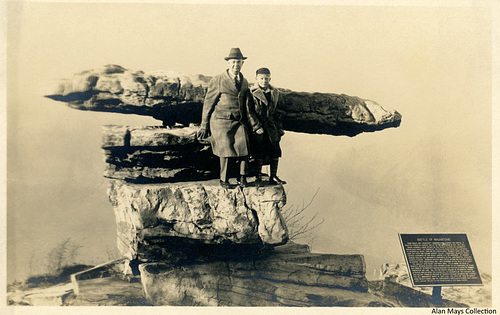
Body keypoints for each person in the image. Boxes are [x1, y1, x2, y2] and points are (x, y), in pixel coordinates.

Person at [197, 48, 256, 188]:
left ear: (243, 64)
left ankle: (242, 178)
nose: (236, 65)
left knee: (244, 146)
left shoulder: (244, 81)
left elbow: (247, 104)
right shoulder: (218, 80)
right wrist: (204, 125)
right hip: (221, 121)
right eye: (234, 62)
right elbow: (208, 103)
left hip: (238, 120)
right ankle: (224, 179)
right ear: (229, 63)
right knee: (226, 149)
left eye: (239, 62)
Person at [247, 67, 286, 185]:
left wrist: (279, 127)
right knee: (259, 152)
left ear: (270, 78)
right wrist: (256, 126)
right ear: (256, 79)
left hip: (271, 127)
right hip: (258, 128)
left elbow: (278, 111)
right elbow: (249, 111)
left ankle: (273, 176)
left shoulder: (275, 92)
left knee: (275, 151)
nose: (264, 81)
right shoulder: (251, 92)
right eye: (262, 78)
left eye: (266, 78)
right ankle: (258, 177)